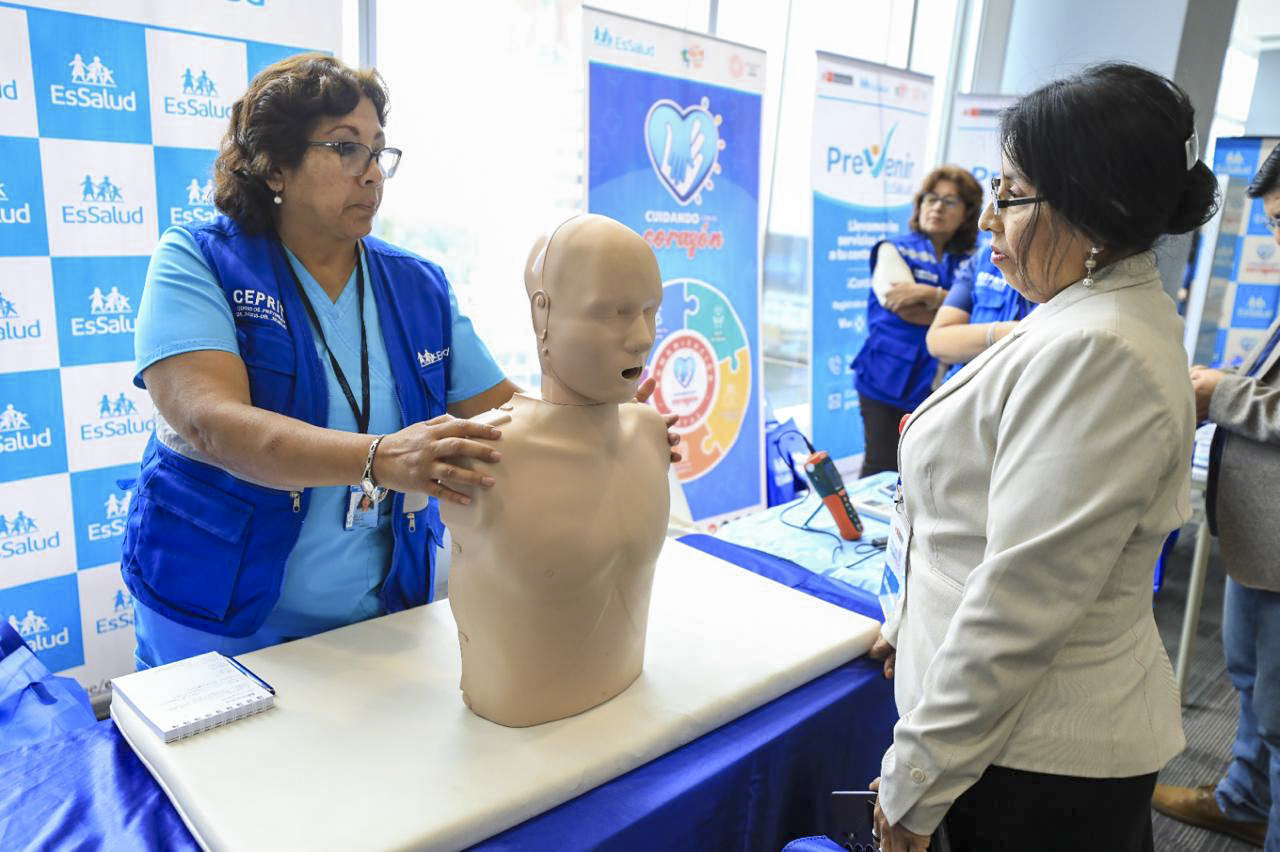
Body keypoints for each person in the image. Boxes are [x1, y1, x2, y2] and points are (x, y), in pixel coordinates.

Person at [120, 54, 678, 669]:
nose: (371, 175)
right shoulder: (199, 261)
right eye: (345, 148)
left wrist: (605, 425)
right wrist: (378, 458)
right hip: (217, 617)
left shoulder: (417, 286)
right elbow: (211, 423)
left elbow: (506, 414)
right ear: (273, 165)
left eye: (379, 152)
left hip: (374, 616)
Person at [865, 63, 1218, 852]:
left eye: (1012, 193)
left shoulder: (1100, 352)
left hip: (1035, 763)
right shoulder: (1082, 314)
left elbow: (1021, 600)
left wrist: (914, 780)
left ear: (1093, 207)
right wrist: (911, 617)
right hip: (1007, 737)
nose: (989, 219)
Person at [444, 215, 670, 727]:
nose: (640, 338)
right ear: (542, 315)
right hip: (515, 733)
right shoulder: (480, 454)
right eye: (611, 313)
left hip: (631, 713)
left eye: (650, 311)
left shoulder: (651, 433)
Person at [1152, 142, 1280, 851]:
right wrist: (1230, 378)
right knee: (1251, 682)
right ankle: (1242, 799)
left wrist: (1219, 392)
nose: (1276, 239)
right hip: (1261, 543)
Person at [852, 166, 982, 476]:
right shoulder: (893, 248)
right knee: (881, 467)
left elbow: (980, 313)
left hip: (940, 382)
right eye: (931, 198)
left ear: (967, 212)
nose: (937, 207)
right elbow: (903, 307)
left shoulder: (974, 258)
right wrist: (953, 310)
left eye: (950, 201)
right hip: (886, 378)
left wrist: (929, 293)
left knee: (924, 471)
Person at [925, 243, 1034, 381]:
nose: (985, 224)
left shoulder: (1064, 273)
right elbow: (938, 341)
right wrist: (1010, 332)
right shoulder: (985, 257)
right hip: (963, 386)